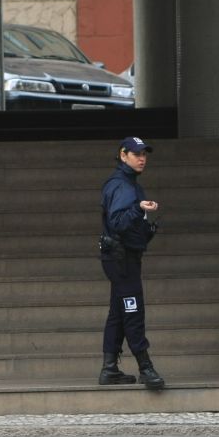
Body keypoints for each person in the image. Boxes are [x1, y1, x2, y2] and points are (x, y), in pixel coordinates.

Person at [97, 136, 165, 389]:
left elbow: (127, 222)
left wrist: (146, 227)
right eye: (137, 154)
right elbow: (117, 223)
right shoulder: (122, 185)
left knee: (118, 312)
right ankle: (145, 367)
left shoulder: (129, 184)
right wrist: (138, 209)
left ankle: (109, 368)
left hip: (123, 258)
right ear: (123, 155)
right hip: (121, 259)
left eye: (144, 154)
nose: (142, 159)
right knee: (133, 311)